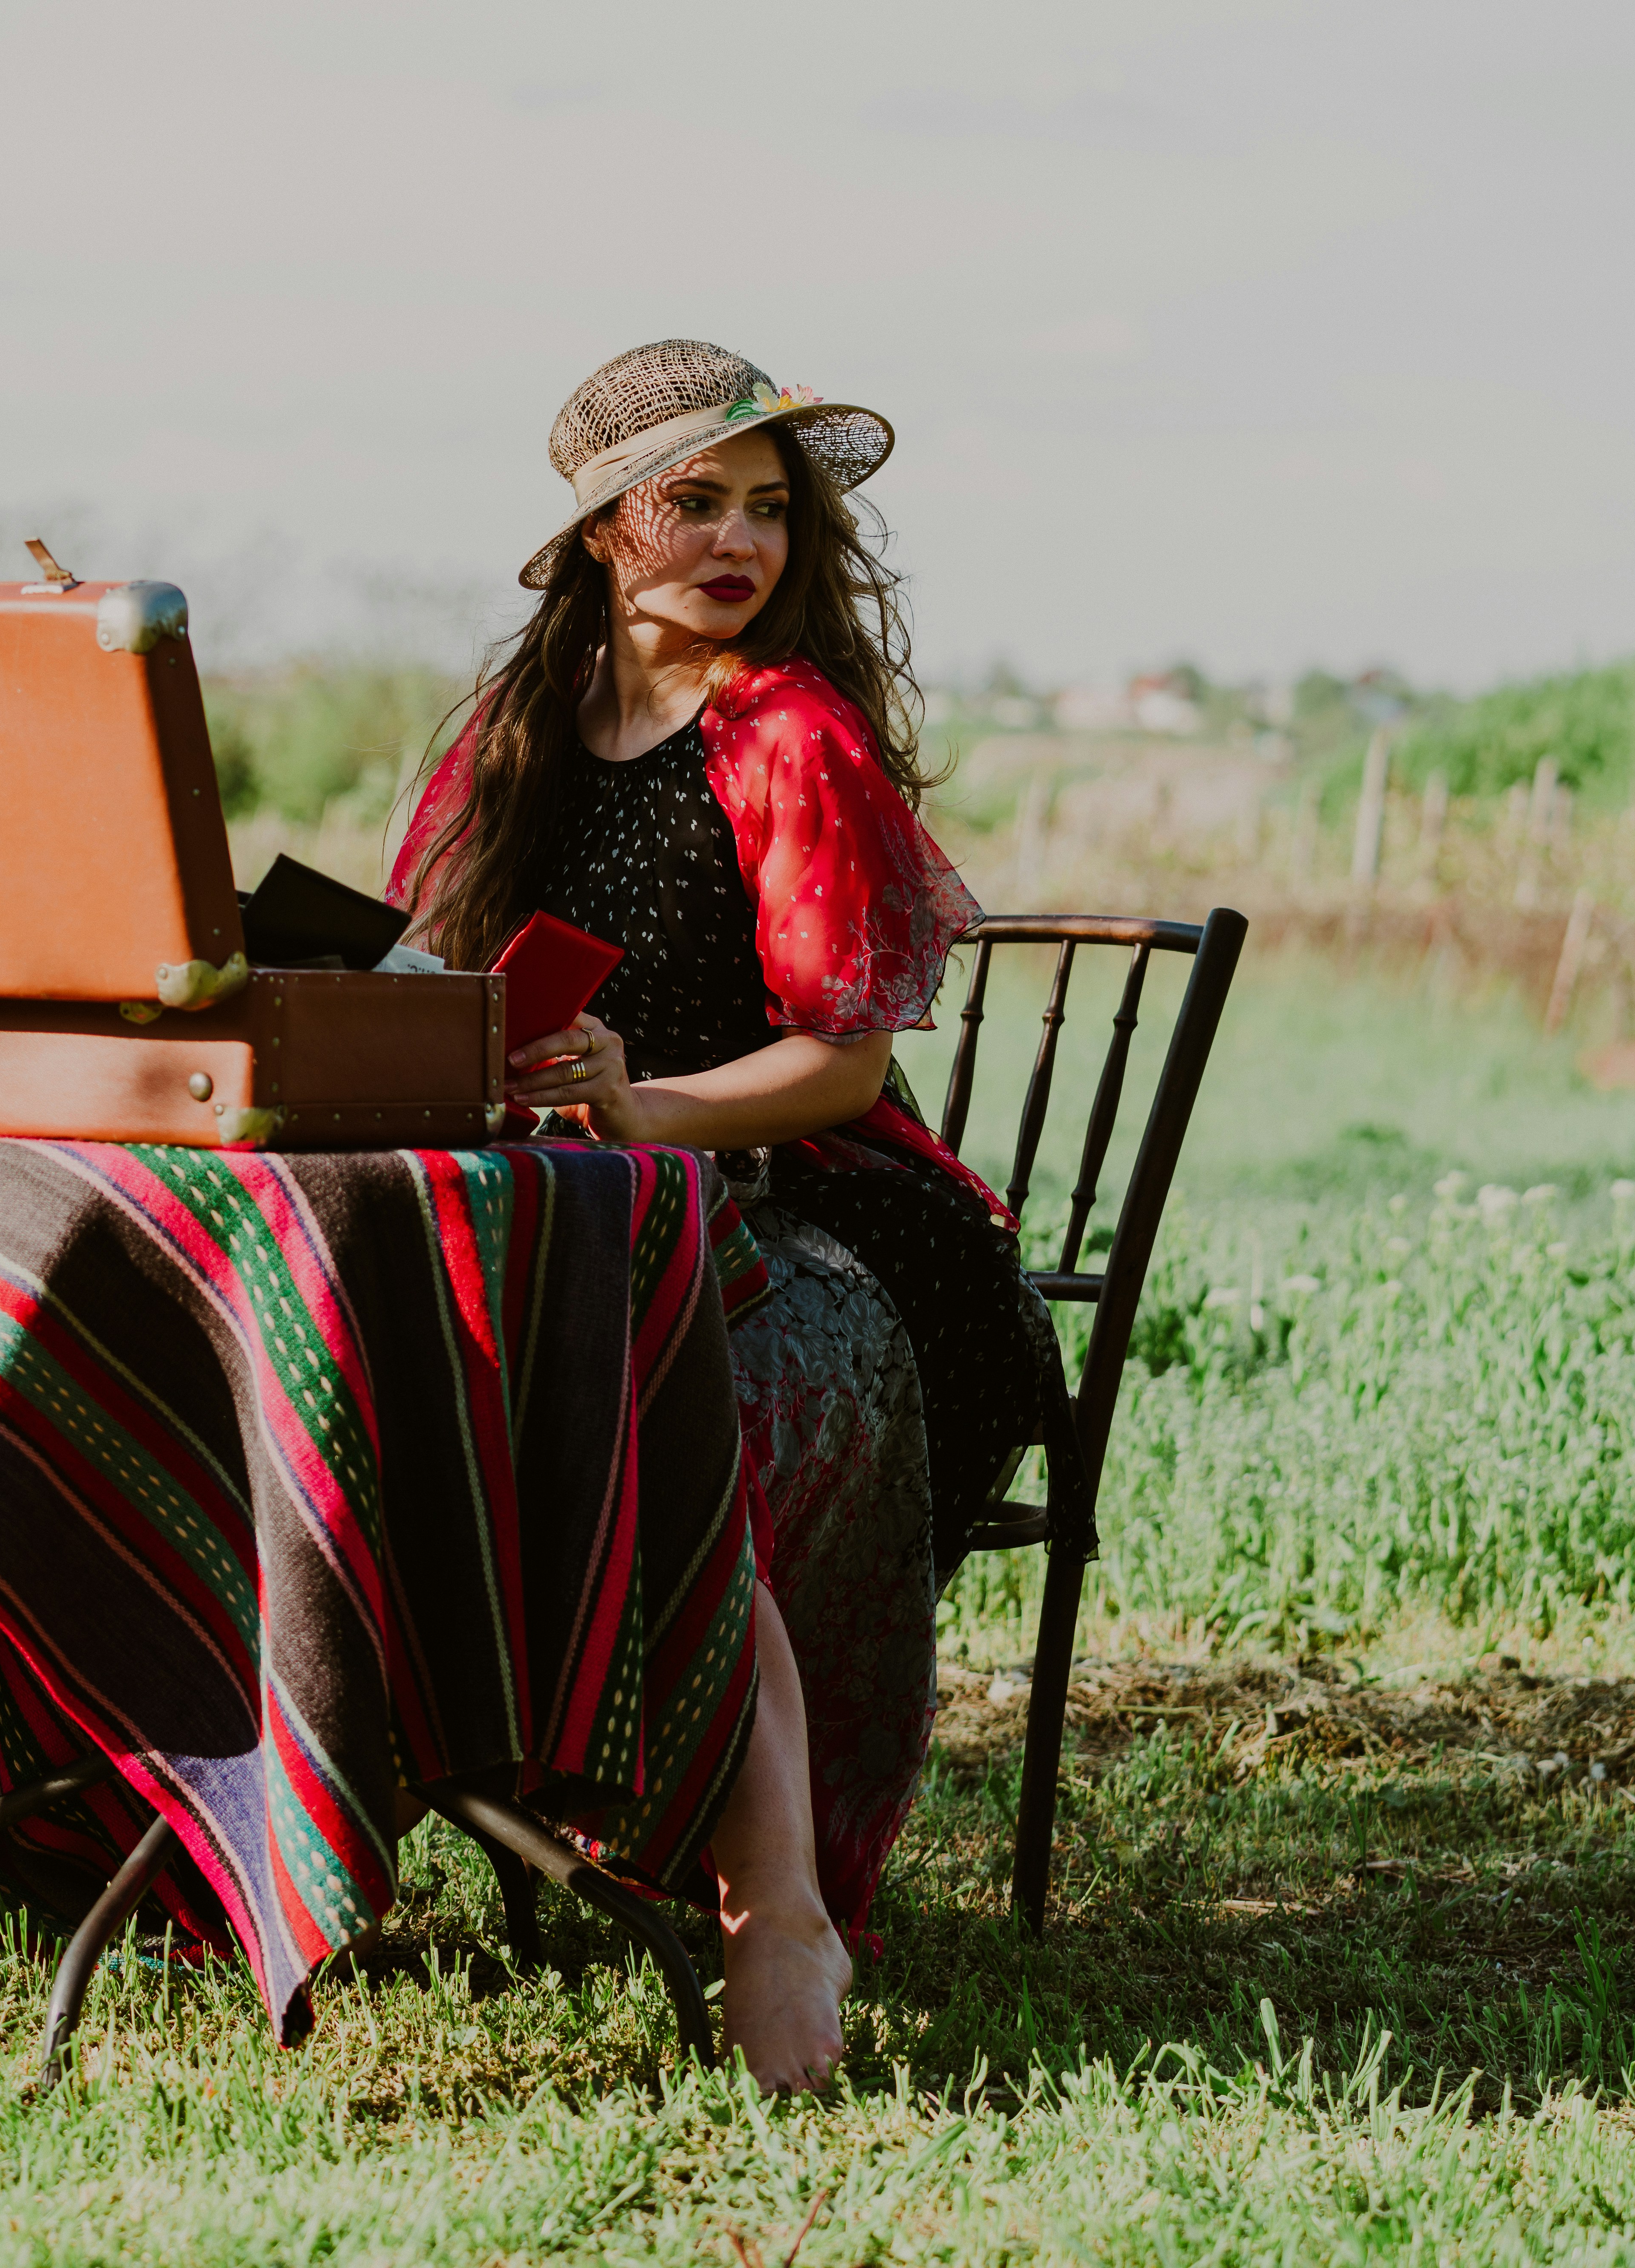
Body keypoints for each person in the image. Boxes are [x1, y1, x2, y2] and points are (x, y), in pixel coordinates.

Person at [391, 339, 1063, 2091]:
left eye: (769, 509)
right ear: (602, 533)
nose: (737, 540)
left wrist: (641, 1108)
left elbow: (841, 1068)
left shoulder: (787, 736)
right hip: (555, 1202)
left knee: (665, 1404)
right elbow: (413, 979)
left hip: (823, 1214)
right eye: (693, 500)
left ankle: (774, 1899)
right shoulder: (511, 739)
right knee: (391, 1356)